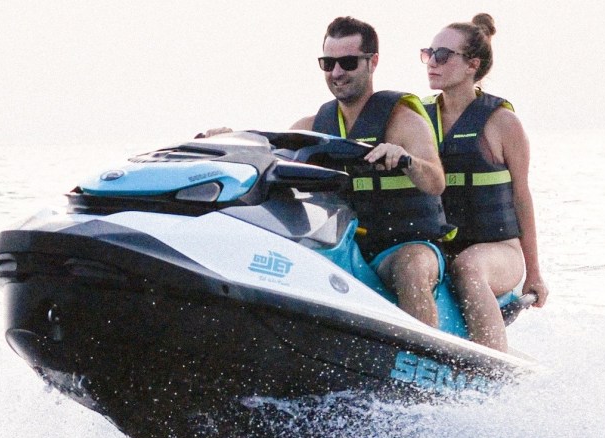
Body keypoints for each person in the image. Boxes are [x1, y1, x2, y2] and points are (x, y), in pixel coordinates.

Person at [207, 16, 454, 327]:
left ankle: (424, 362)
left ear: (372, 62)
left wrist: (406, 159)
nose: (337, 72)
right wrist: (231, 138)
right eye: (329, 63)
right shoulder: (313, 125)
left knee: (411, 268)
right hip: (344, 244)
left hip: (407, 244)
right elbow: (268, 150)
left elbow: (435, 182)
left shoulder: (403, 121)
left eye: (348, 62)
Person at [419, 13, 549, 351]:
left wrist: (534, 273)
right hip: (441, 245)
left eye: (443, 56)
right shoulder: (415, 118)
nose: (432, 62)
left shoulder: (503, 123)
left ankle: (492, 372)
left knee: (468, 267)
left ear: (471, 65)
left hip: (500, 251)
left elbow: (522, 197)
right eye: (428, 54)